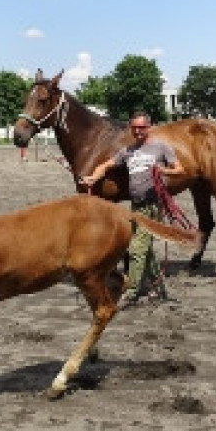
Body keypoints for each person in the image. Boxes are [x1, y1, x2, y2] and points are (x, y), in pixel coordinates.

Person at [82, 112, 184, 303]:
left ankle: (131, 292)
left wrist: (163, 170)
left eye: (141, 128)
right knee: (146, 249)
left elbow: (180, 170)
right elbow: (106, 165)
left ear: (149, 128)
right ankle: (158, 288)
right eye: (134, 128)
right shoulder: (128, 151)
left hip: (153, 205)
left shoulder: (160, 147)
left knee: (136, 249)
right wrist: (93, 178)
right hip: (136, 207)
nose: (137, 131)